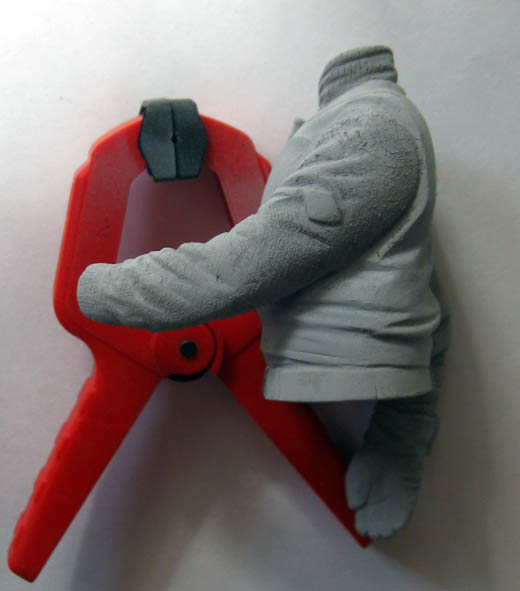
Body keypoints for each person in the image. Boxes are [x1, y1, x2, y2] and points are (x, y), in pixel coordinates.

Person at [77, 46, 449, 538]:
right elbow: (422, 288)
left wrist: (102, 288)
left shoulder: (371, 128)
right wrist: (406, 423)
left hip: (334, 364)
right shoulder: (363, 124)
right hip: (344, 365)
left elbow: (250, 264)